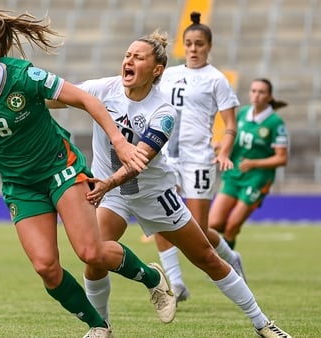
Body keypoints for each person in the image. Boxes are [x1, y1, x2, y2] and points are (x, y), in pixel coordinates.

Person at [0, 10, 175, 338]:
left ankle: (152, 279)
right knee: (46, 269)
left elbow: (85, 99)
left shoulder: (25, 77)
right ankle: (99, 327)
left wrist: (119, 143)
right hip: (20, 186)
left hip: (61, 169)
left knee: (91, 252)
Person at [74, 30, 291, 338]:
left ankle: (263, 324)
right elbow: (60, 95)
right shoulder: (104, 88)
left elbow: (139, 162)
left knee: (205, 257)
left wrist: (104, 185)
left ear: (157, 69)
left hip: (153, 192)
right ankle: (101, 327)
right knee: (93, 257)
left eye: (138, 56)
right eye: (127, 55)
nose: (129, 60)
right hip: (114, 195)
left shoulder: (163, 112)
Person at [155, 11, 245, 300]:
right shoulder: (168, 75)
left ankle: (231, 258)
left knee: (198, 231)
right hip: (167, 158)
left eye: (199, 44)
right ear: (183, 45)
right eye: (189, 44)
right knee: (159, 217)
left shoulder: (216, 79)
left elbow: (231, 124)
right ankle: (177, 285)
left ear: (209, 46)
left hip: (199, 159)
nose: (194, 49)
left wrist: (225, 151)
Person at [209, 78, 289, 249]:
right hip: (234, 174)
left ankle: (227, 271)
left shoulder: (275, 123)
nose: (256, 95)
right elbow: (234, 141)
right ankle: (224, 261)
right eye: (253, 91)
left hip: (257, 180)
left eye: (261, 92)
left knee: (231, 227)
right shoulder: (243, 113)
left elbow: (282, 158)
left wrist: (255, 163)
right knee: (213, 224)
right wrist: (220, 147)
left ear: (269, 97)